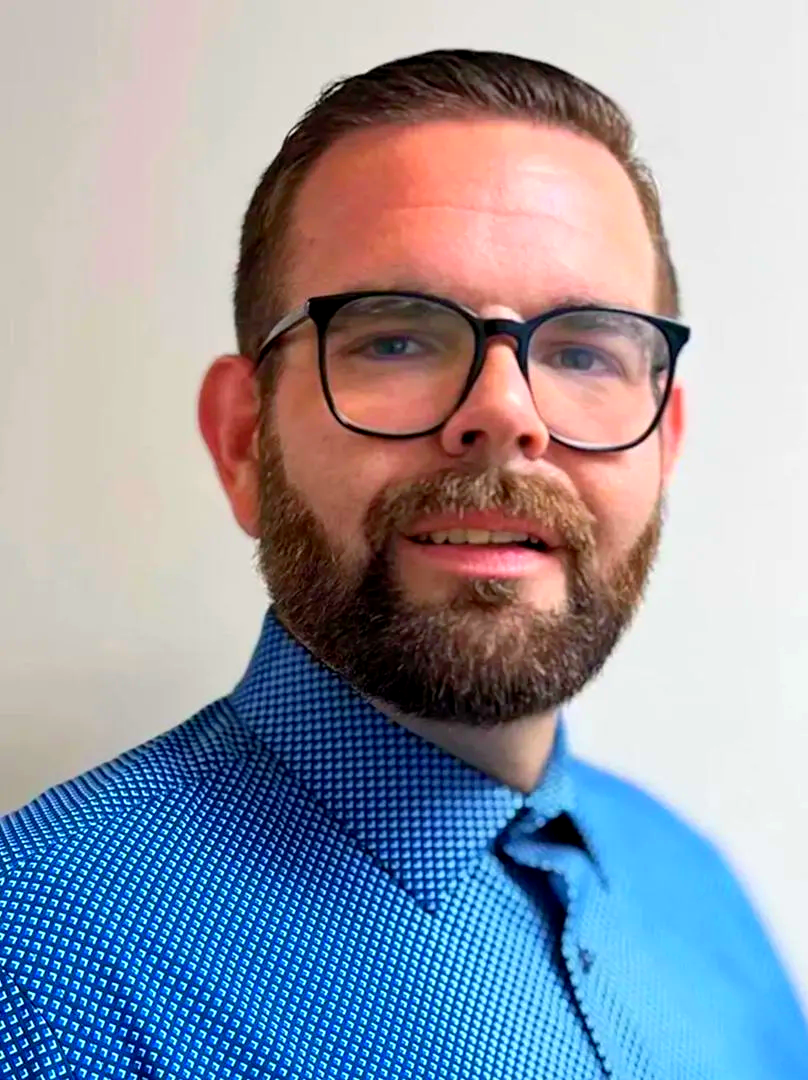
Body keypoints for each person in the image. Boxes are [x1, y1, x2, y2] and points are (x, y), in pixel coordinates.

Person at [1, 48, 806, 1080]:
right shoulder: (37, 973)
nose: (505, 413)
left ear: (664, 445)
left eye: (582, 352)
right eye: (396, 339)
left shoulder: (701, 891)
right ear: (243, 441)